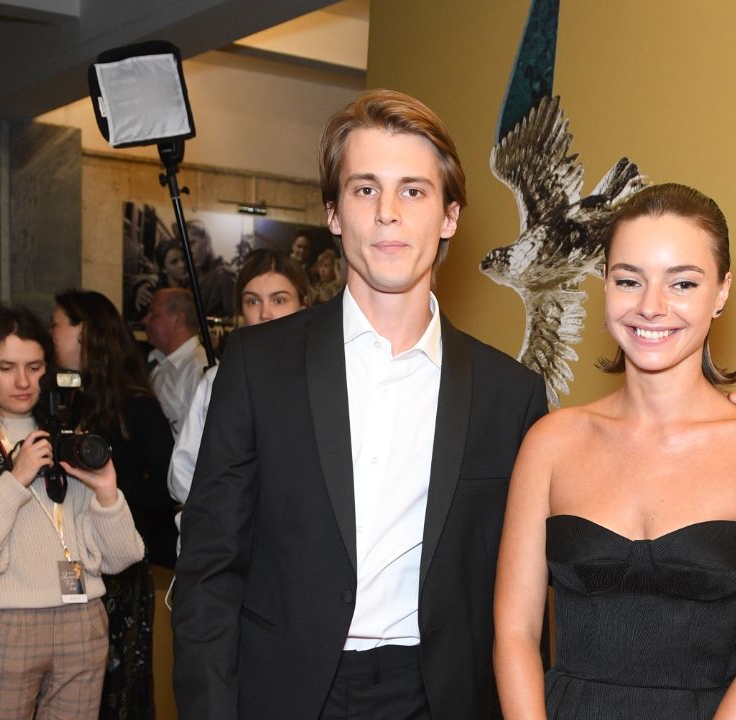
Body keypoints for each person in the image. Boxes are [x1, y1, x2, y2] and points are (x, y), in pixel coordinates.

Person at [171, 89, 549, 720]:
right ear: (334, 213)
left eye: (413, 191)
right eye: (365, 189)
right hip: (285, 694)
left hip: (441, 697)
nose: (387, 214)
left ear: (450, 216)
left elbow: (531, 594)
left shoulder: (509, 395)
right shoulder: (258, 366)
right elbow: (208, 569)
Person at [494, 183, 736, 719]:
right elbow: (514, 634)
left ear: (721, 292)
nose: (651, 307)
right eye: (629, 281)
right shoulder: (551, 442)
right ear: (605, 285)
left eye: (682, 283)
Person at [0, 306, 144, 718]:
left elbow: (119, 558)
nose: (23, 382)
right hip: (5, 622)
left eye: (34, 367)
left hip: (83, 617)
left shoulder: (66, 437)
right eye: (6, 368)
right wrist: (14, 479)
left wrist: (107, 493)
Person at [52, 290, 179, 719]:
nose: (51, 335)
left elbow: (168, 489)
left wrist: (107, 492)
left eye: (56, 324)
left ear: (84, 332)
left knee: (116, 687)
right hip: (72, 565)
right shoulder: (67, 402)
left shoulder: (135, 405)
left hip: (121, 567)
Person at [167, 249, 311, 551]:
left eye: (279, 300)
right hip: (232, 545)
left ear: (304, 305)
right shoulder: (216, 381)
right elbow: (185, 474)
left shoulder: (324, 379)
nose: (265, 313)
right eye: (252, 301)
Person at [142, 288, 208, 436]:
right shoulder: (157, 362)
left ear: (178, 320)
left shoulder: (199, 369)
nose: (145, 320)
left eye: (154, 314)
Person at [182, 220, 237, 318]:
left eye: (192, 243)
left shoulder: (224, 275)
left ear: (206, 239)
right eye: (185, 247)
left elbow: (235, 318)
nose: (189, 251)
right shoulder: (189, 278)